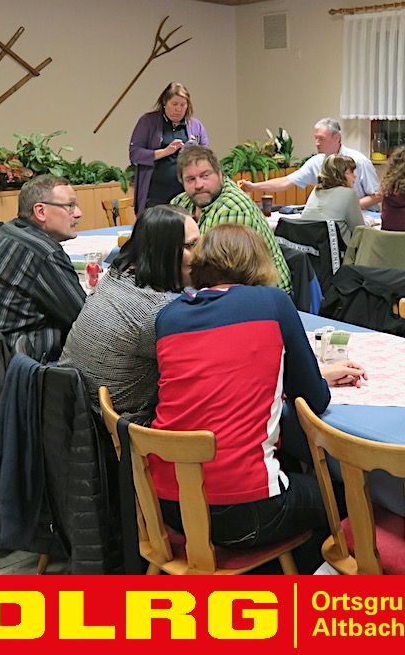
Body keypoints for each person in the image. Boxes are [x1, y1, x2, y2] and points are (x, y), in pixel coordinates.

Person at [152, 224, 365, 566]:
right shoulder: (272, 302)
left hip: (169, 507)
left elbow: (222, 370)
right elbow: (315, 400)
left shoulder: (169, 316)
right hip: (244, 513)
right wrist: (317, 377)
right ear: (258, 262)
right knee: (349, 496)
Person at [58, 205, 198, 425]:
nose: (200, 255)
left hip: (73, 411)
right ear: (164, 250)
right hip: (120, 430)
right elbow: (198, 368)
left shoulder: (116, 275)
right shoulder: (155, 312)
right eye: (191, 245)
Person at [0, 174, 87, 359]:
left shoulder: (9, 231)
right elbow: (84, 318)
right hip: (15, 360)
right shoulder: (43, 252)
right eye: (70, 206)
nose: (78, 213)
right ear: (40, 211)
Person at [170, 144, 292, 293]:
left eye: (205, 176)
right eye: (190, 179)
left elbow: (218, 274)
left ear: (220, 174)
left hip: (260, 294)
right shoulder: (181, 201)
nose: (199, 185)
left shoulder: (232, 208)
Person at [239, 118, 380, 208]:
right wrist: (253, 187)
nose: (316, 143)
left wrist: (349, 208)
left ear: (337, 137)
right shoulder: (317, 162)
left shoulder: (359, 161)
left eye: (321, 139)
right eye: (315, 138)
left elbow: (378, 195)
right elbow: (286, 182)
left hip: (366, 216)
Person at [128, 82, 209, 215]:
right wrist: (165, 152)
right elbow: (135, 154)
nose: (178, 109)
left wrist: (193, 153)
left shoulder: (195, 125)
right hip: (155, 196)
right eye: (174, 104)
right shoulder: (148, 121)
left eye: (183, 105)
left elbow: (206, 157)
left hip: (186, 196)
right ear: (165, 102)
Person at [300, 154, 366, 245]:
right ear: (339, 174)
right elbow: (360, 231)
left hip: (311, 250)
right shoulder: (349, 193)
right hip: (336, 250)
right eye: (351, 172)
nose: (355, 176)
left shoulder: (315, 190)